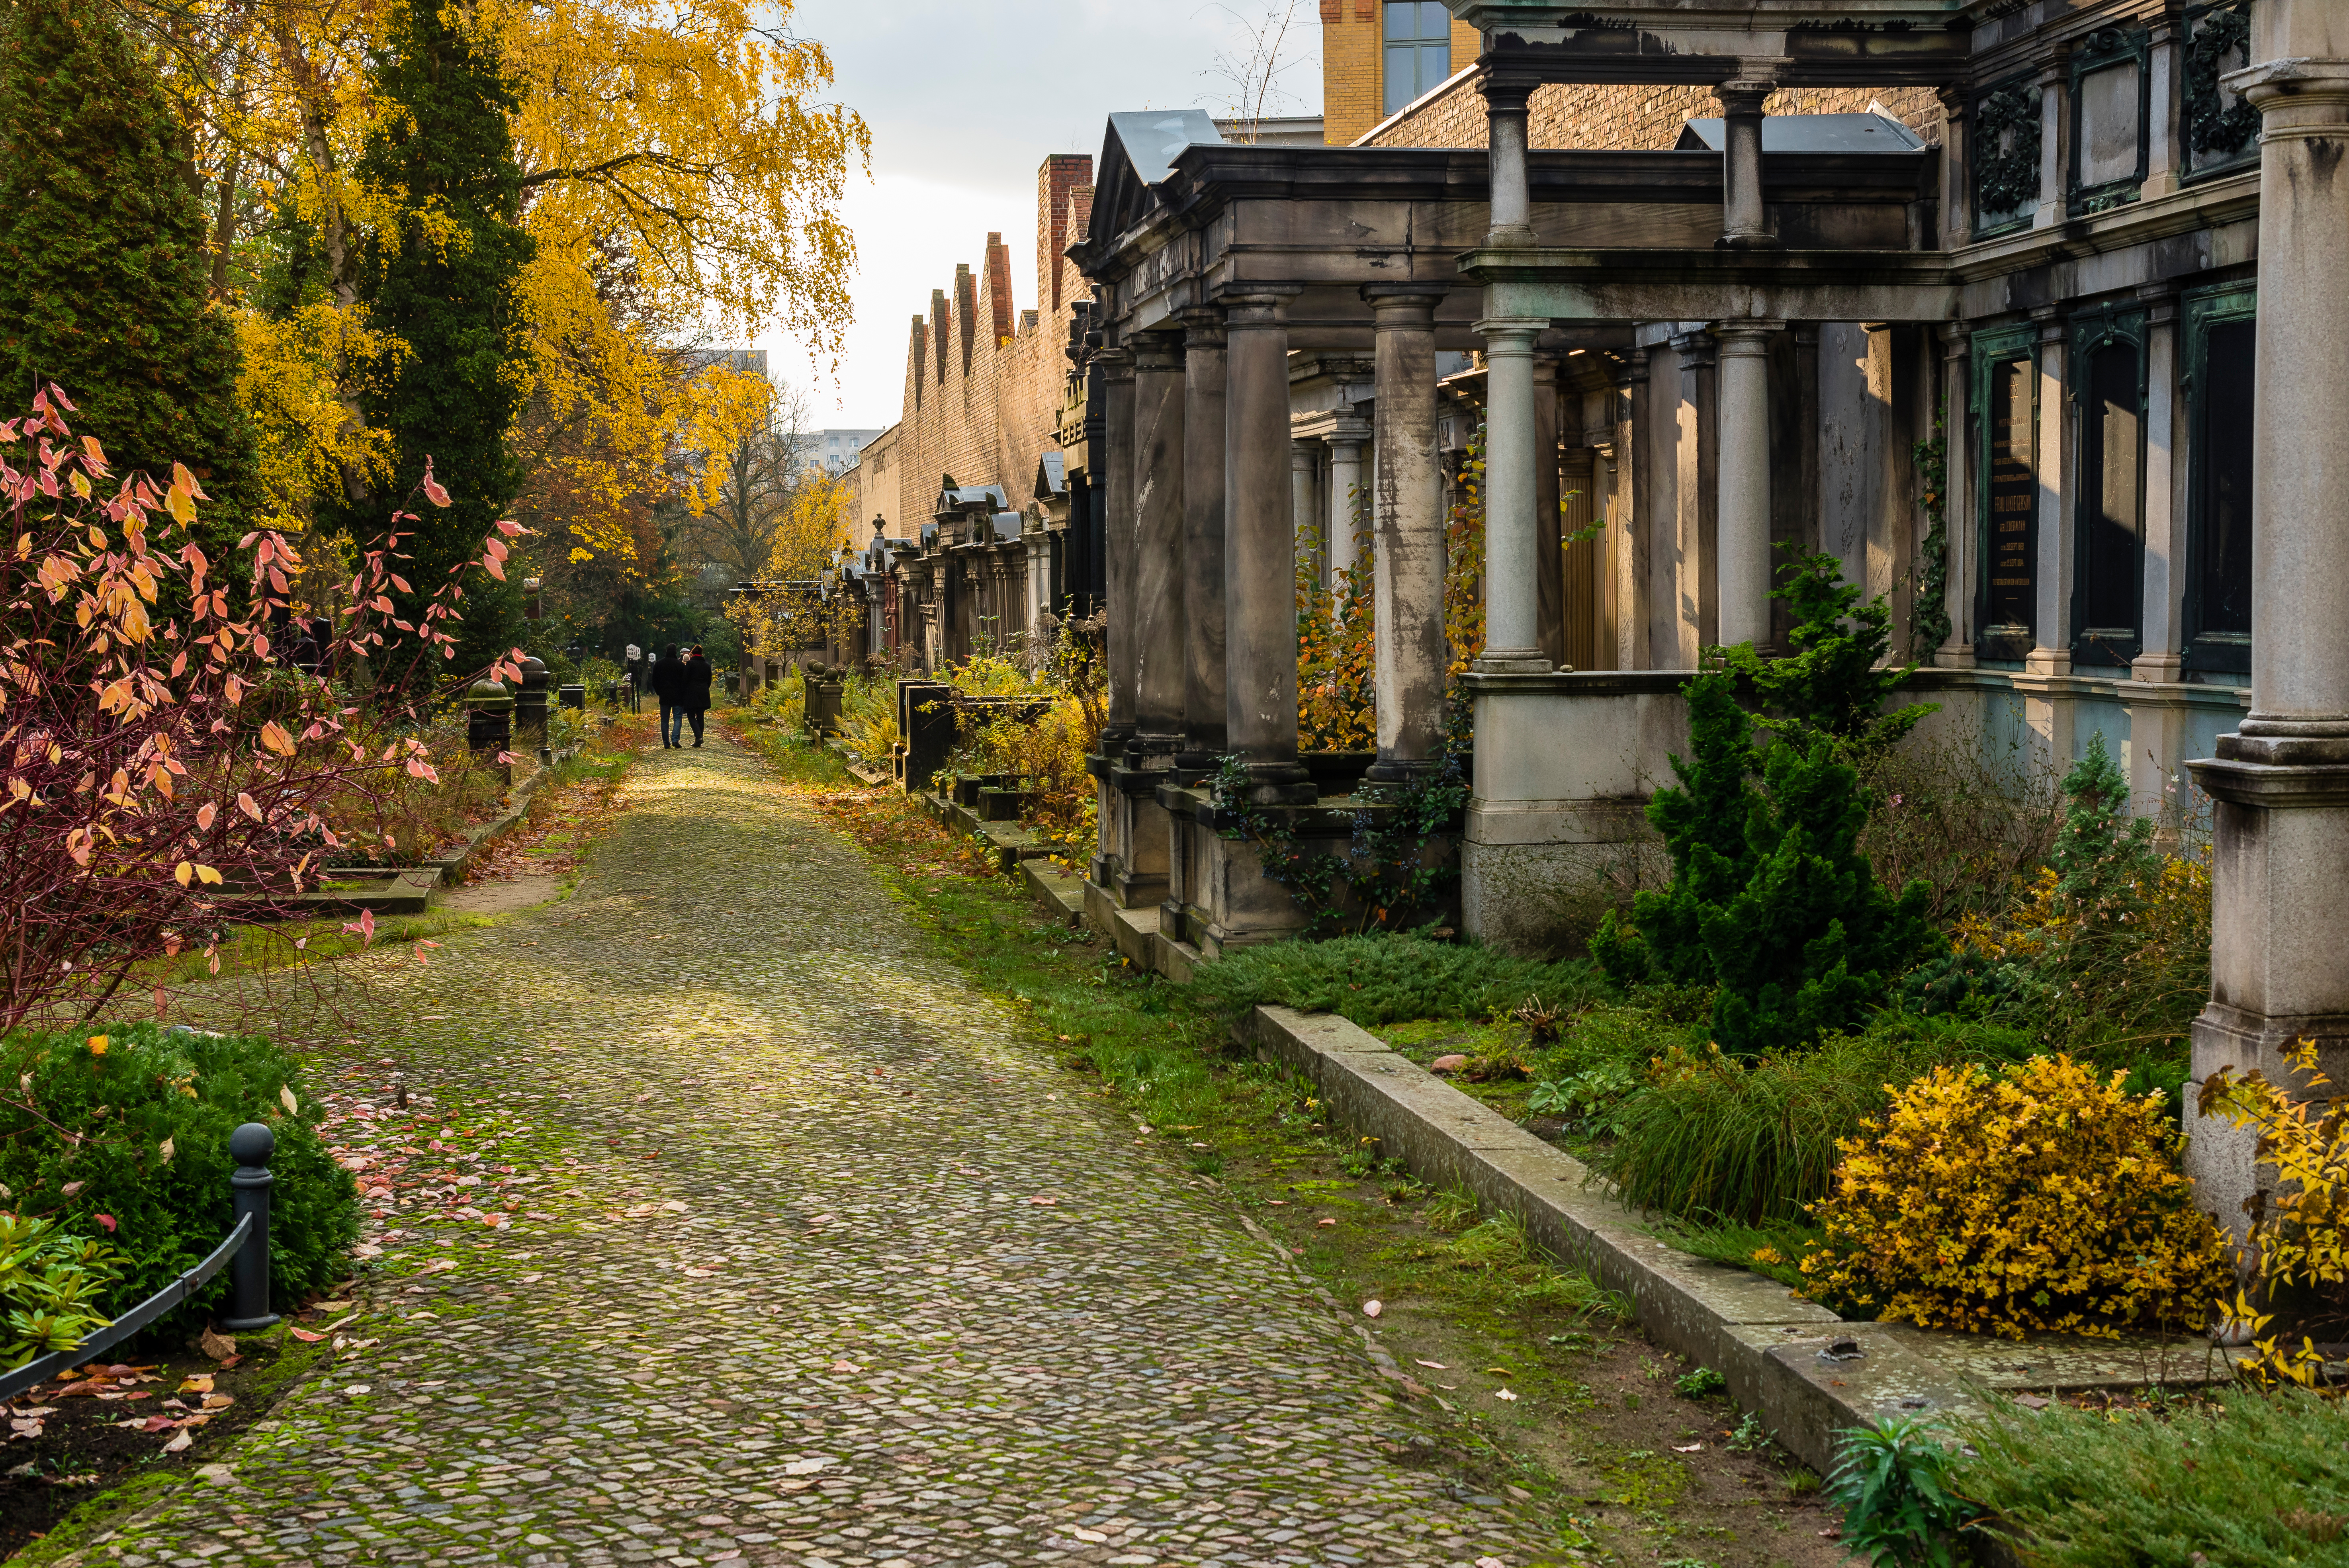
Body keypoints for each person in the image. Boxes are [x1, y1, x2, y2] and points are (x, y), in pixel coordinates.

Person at [679, 643, 713, 747]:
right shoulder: (707, 666)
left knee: (691, 715)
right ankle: (700, 737)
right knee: (700, 715)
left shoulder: (690, 664)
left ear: (693, 654)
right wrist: (705, 688)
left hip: (692, 692)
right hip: (703, 692)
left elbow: (685, 679)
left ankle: (698, 737)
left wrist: (684, 691)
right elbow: (709, 681)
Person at [652, 643, 685, 748]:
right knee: (678, 719)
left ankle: (666, 743)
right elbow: (684, 682)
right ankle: (675, 739)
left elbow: (654, 681)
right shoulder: (680, 665)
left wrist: (659, 692)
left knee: (665, 721)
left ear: (666, 651)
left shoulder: (659, 664)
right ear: (676, 652)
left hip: (664, 696)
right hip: (678, 696)